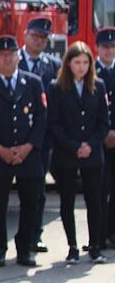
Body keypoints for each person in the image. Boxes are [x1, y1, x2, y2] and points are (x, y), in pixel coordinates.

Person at [0, 35, 47, 268]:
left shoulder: (33, 82)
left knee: (30, 203)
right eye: (2, 56)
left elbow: (42, 118)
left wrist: (27, 147)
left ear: (18, 56)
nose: (7, 60)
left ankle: (25, 248)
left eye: (11, 55)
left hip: (28, 153)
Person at [46, 42, 109, 264]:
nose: (81, 67)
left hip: (92, 153)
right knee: (67, 201)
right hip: (67, 153)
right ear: (68, 63)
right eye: (77, 62)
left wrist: (90, 144)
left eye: (85, 62)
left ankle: (94, 246)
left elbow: (103, 122)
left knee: (95, 201)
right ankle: (72, 246)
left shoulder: (98, 86)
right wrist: (74, 146)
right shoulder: (56, 87)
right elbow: (53, 124)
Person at [19, 17, 61, 253]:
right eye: (35, 36)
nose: (38, 41)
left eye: (43, 38)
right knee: (4, 193)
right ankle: (1, 242)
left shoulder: (53, 65)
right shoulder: (12, 59)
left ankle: (35, 235)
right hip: (15, 137)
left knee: (38, 190)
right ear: (25, 35)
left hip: (42, 138)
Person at [95, 27, 115, 249]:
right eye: (105, 47)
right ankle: (98, 236)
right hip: (98, 141)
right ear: (97, 48)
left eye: (112, 47)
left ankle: (113, 232)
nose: (109, 50)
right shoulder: (90, 72)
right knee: (100, 190)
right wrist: (103, 134)